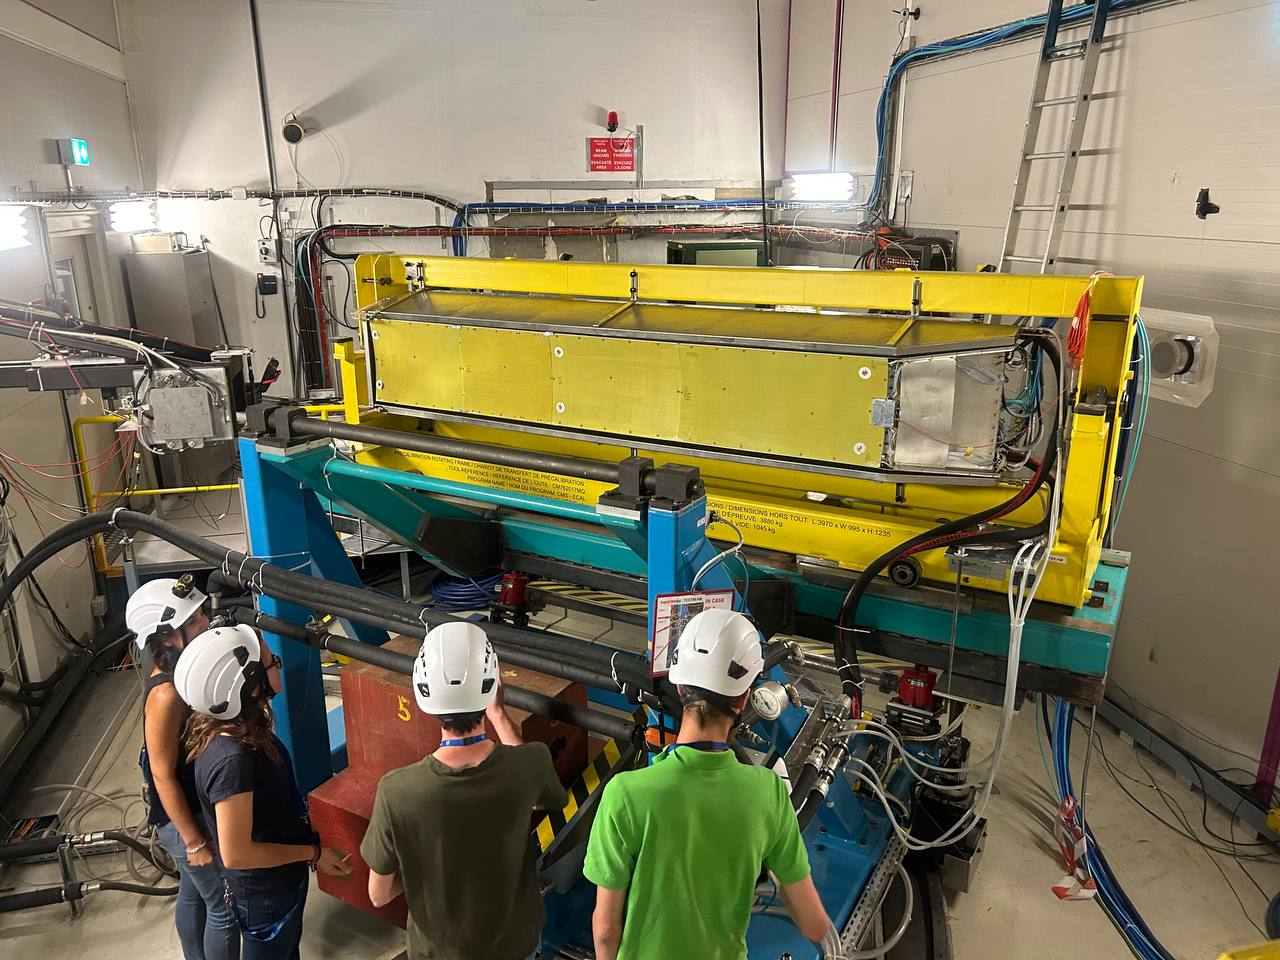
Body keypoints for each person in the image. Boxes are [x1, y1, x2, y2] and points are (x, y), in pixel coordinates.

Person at [584, 609, 831, 960]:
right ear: (745, 699)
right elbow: (810, 921)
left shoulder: (625, 794)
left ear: (680, 686)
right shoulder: (769, 792)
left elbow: (606, 930)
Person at [361, 621, 569, 960]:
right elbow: (543, 796)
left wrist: (420, 869)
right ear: (492, 686)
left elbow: (379, 893)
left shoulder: (396, 791)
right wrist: (499, 715)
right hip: (514, 946)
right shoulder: (530, 764)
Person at [174, 623, 351, 960]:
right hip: (267, 895)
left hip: (277, 884)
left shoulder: (240, 728)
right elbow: (238, 853)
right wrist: (312, 854)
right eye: (272, 662)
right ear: (251, 687)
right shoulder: (232, 762)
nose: (277, 664)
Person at [126, 576, 238, 960]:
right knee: (223, 905)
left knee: (194, 893)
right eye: (192, 621)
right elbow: (161, 774)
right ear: (165, 638)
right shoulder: (166, 693)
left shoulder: (185, 670)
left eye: (202, 614)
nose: (205, 623)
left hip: (190, 805)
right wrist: (195, 842)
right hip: (182, 818)